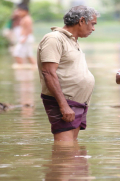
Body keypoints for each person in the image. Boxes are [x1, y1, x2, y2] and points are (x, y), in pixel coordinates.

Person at [37, 5, 100, 141]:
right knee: (64, 151)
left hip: (77, 102)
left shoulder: (72, 41)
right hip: (64, 102)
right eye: (92, 24)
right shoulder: (54, 39)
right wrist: (63, 105)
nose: (93, 28)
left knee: (72, 149)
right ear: (81, 21)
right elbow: (48, 72)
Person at [12, 4, 36, 68]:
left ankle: (20, 69)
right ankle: (35, 67)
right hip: (26, 38)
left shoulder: (27, 19)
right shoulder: (25, 18)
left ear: (25, 11)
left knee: (17, 53)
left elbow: (29, 29)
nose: (19, 12)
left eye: (20, 11)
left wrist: (24, 38)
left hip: (26, 38)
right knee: (29, 55)